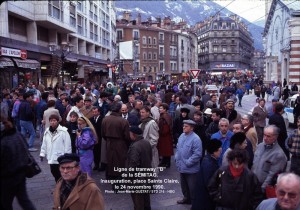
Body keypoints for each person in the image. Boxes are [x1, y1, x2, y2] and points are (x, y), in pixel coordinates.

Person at [0, 118, 36, 210]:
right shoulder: (16, 133)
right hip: (20, 174)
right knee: (24, 201)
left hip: (7, 178)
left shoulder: (3, 140)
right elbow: (25, 149)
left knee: (6, 204)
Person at [252, 125, 287, 192]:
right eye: (264, 135)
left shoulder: (279, 155)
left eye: (268, 136)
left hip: (261, 189)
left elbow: (272, 176)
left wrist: (262, 189)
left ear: (275, 137)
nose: (265, 138)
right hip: (251, 183)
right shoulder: (260, 146)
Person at [175, 120, 202, 205]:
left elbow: (197, 154)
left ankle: (194, 203)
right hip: (181, 166)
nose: (183, 127)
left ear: (192, 128)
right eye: (183, 126)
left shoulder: (196, 139)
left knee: (192, 188)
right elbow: (178, 148)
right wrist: (176, 158)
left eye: (186, 126)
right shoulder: (182, 135)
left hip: (191, 169)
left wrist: (188, 162)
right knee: (184, 186)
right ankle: (186, 199)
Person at [101, 102, 130, 179]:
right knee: (119, 161)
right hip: (120, 143)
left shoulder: (105, 119)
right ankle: (118, 179)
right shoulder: (123, 121)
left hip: (109, 143)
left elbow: (103, 134)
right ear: (119, 110)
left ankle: (110, 177)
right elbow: (127, 136)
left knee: (110, 160)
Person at [40, 114, 72, 182]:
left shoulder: (64, 131)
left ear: (57, 121)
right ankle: (58, 185)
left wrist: (67, 156)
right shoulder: (47, 131)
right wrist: (42, 153)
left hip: (60, 157)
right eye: (51, 121)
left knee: (61, 174)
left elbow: (68, 145)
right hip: (51, 157)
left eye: (54, 120)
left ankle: (61, 187)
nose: (52, 122)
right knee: (54, 172)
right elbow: (44, 143)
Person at [191, 140, 222, 210]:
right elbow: (210, 184)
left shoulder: (208, 159)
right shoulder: (209, 164)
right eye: (219, 149)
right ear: (214, 151)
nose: (221, 151)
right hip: (205, 200)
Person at [127, 126, 152, 210]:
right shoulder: (146, 142)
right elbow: (150, 157)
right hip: (147, 175)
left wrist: (128, 176)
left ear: (133, 135)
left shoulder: (135, 146)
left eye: (130, 133)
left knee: (138, 200)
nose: (129, 135)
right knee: (146, 198)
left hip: (137, 178)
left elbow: (133, 163)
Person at [157, 103, 173, 168]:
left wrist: (161, 132)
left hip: (165, 136)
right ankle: (164, 161)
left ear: (165, 109)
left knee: (166, 150)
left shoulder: (165, 116)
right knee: (164, 150)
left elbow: (166, 127)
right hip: (163, 136)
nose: (159, 109)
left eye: (161, 108)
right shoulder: (163, 115)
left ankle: (167, 163)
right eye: (159, 108)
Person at [89, 106, 103, 171]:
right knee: (95, 152)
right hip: (93, 138)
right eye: (93, 112)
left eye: (96, 112)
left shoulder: (102, 118)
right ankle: (96, 164)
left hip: (100, 137)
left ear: (99, 112)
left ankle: (101, 165)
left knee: (100, 151)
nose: (94, 113)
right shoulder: (91, 119)